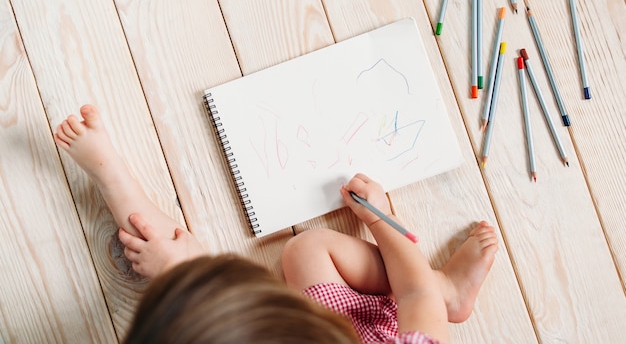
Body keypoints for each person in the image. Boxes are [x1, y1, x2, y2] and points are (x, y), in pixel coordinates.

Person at [54, 105, 498, 344]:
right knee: (318, 255)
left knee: (296, 255)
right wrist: (384, 221)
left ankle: (115, 179)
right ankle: (449, 293)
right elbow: (414, 293)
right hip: (390, 316)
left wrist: (177, 274)